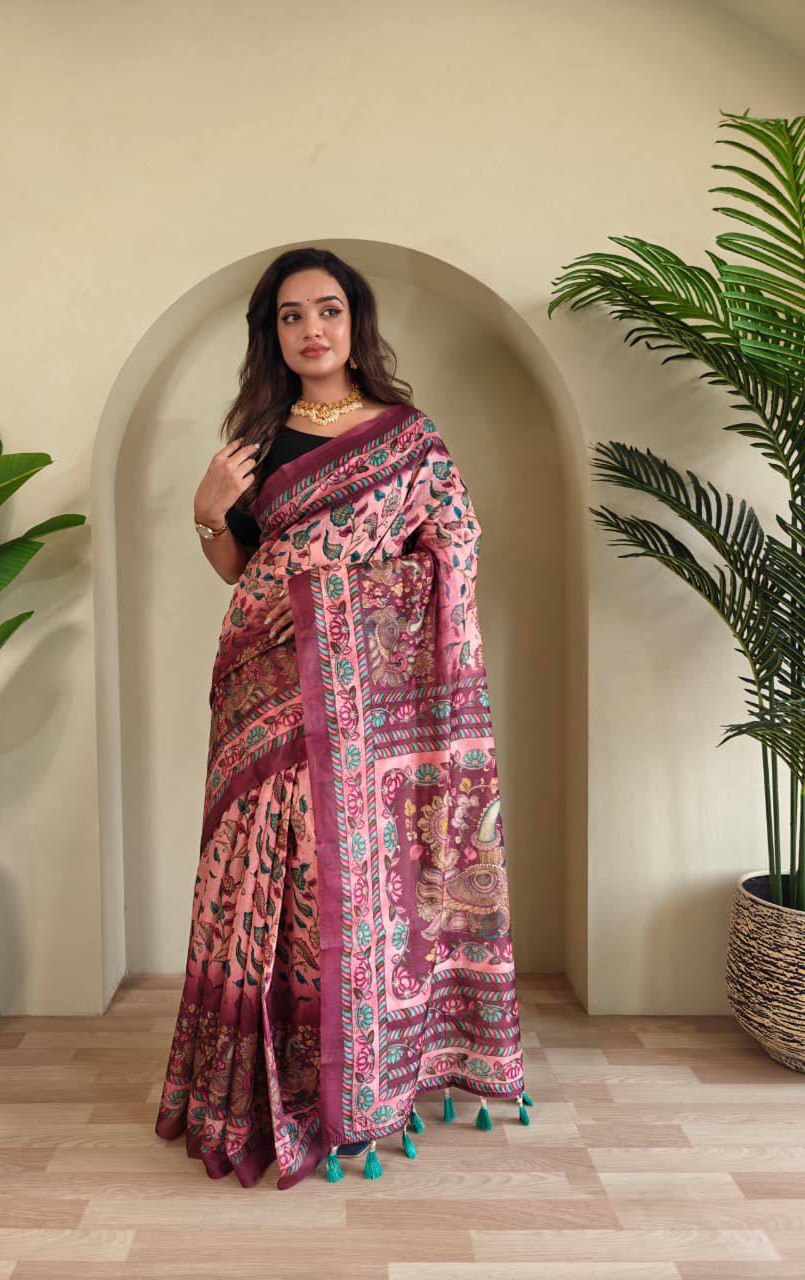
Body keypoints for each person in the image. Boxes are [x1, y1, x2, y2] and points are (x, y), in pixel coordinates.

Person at [154, 247, 532, 1191]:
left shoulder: (410, 440)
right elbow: (245, 572)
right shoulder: (255, 442)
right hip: (263, 687)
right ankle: (265, 1086)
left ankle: (361, 1075)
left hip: (361, 701)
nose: (311, 329)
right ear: (272, 335)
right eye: (291, 316)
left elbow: (456, 550)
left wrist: (341, 598)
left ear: (356, 324)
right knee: (266, 875)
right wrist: (207, 513)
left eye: (327, 309)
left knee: (345, 875)